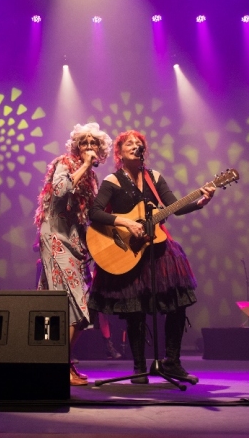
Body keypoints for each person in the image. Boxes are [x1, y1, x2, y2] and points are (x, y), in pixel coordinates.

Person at [88, 130, 214, 384]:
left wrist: (200, 202)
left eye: (139, 144)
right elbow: (95, 212)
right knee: (135, 311)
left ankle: (172, 362)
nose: (136, 147)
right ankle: (138, 367)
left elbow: (174, 208)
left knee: (177, 305)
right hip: (129, 252)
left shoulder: (154, 177)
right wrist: (125, 222)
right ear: (120, 152)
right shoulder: (113, 180)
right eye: (130, 144)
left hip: (159, 252)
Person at [34, 122, 112, 386]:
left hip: (76, 242)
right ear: (76, 146)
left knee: (83, 304)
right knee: (74, 303)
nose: (89, 147)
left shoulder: (91, 177)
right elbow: (60, 190)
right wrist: (84, 166)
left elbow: (90, 214)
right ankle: (58, 366)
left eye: (94, 144)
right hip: (56, 237)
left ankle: (61, 362)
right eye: (84, 143)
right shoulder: (64, 163)